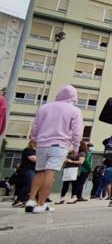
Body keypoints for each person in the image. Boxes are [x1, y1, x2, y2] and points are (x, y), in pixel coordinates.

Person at [24, 85, 83, 214]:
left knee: (40, 172)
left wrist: (34, 139)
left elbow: (36, 126)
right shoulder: (74, 110)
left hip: (42, 144)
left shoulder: (44, 108)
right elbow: (77, 131)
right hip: (59, 145)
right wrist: (76, 147)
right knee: (50, 174)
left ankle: (31, 200)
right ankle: (41, 204)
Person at [11, 141, 36, 207]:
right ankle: (19, 201)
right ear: (33, 143)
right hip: (28, 170)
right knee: (29, 186)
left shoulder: (34, 151)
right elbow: (34, 159)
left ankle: (23, 201)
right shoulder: (29, 150)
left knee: (30, 186)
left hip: (31, 171)